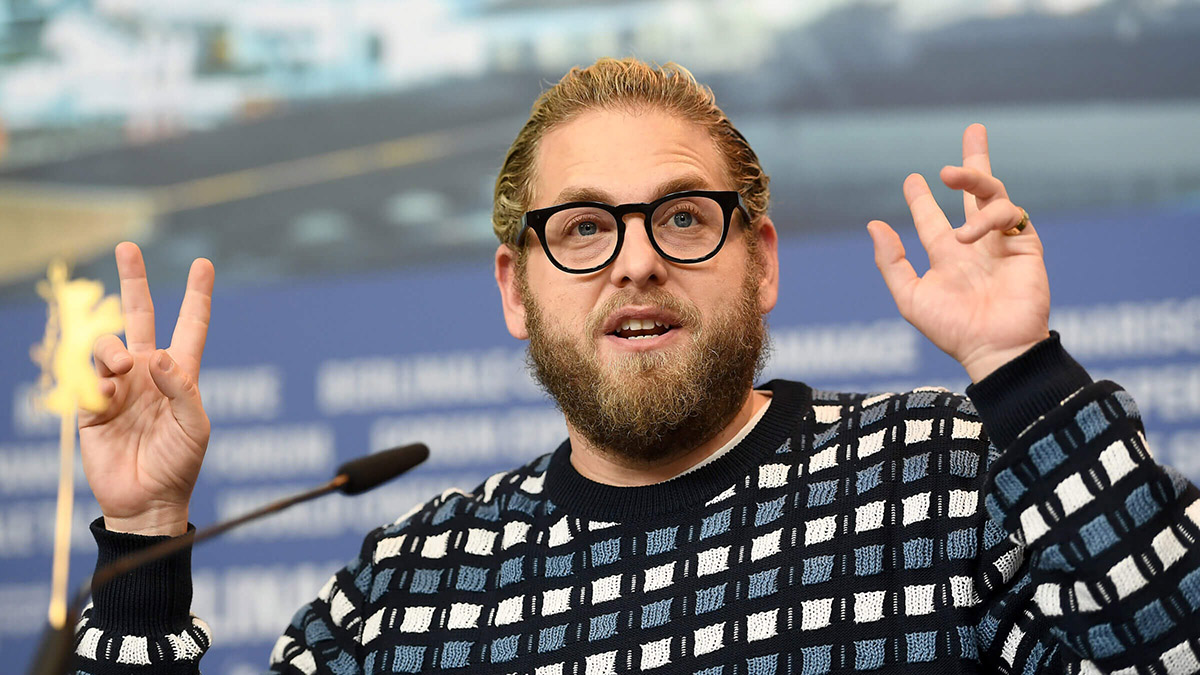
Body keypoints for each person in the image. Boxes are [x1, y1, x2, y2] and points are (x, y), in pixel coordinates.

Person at [72, 58, 1200, 674]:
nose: (638, 265)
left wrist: (1021, 372)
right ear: (516, 290)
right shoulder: (411, 586)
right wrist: (144, 539)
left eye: (682, 218)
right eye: (581, 231)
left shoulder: (953, 474)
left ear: (760, 262)